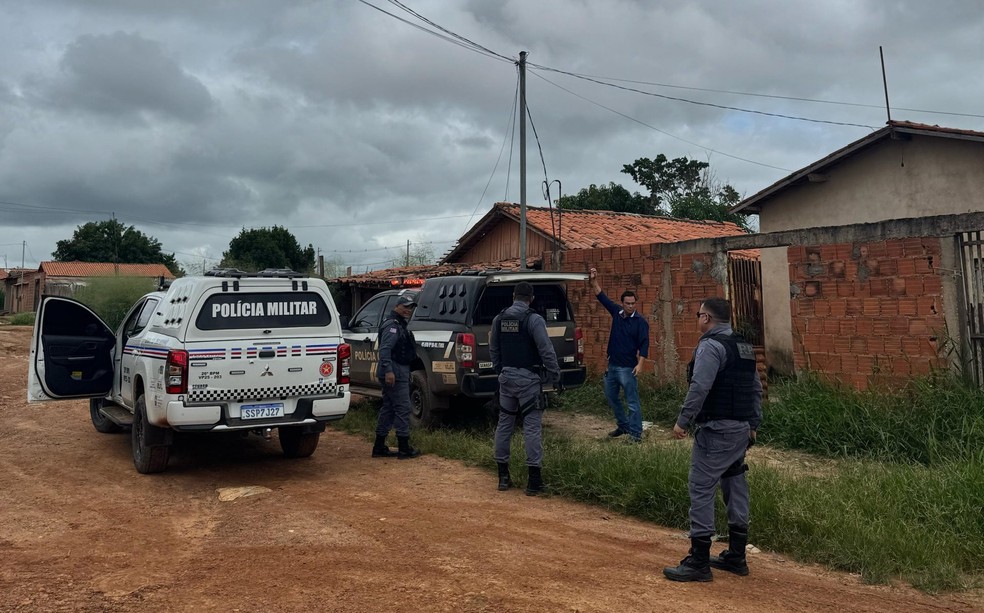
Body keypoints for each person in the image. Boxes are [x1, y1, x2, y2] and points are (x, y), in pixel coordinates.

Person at [663, 297, 762, 582]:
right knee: (734, 483)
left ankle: (698, 561)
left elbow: (700, 387)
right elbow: (756, 389)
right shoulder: (744, 347)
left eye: (698, 314)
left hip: (717, 430)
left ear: (706, 318)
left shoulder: (710, 346)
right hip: (740, 430)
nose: (697, 319)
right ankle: (736, 554)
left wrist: (683, 421)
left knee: (701, 487)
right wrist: (752, 425)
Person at [490, 282, 561, 496]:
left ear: (513, 296)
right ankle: (534, 481)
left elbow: (494, 349)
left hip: (506, 378)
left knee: (505, 424)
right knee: (531, 427)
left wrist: (501, 370)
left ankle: (503, 477)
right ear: (531, 298)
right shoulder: (533, 319)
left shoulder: (499, 318)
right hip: (529, 380)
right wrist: (555, 375)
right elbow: (546, 350)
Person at [589, 267, 649, 443]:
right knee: (611, 397)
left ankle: (636, 435)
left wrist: (640, 364)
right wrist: (593, 281)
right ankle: (623, 425)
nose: (630, 306)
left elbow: (644, 344)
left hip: (627, 368)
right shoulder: (616, 313)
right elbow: (601, 297)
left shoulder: (640, 322)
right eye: (627, 303)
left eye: (633, 303)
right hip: (612, 366)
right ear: (622, 303)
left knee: (632, 402)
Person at [371, 293, 422, 460]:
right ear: (397, 307)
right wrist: (389, 371)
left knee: (389, 408)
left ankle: (379, 446)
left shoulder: (399, 324)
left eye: (411, 308)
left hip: (398, 370)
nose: (408, 310)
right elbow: (385, 349)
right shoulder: (392, 326)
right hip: (395, 372)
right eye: (405, 307)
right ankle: (404, 447)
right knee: (403, 408)